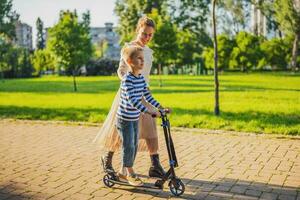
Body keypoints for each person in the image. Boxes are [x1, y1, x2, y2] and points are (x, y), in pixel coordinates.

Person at [94, 16, 166, 178]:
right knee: (120, 130)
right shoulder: (129, 48)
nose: (147, 38)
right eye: (144, 34)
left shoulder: (148, 52)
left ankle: (155, 165)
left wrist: (147, 92)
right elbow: (121, 71)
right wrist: (129, 83)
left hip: (143, 93)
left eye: (150, 35)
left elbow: (145, 75)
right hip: (128, 95)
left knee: (151, 130)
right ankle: (108, 160)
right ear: (138, 30)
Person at [116, 45, 162, 186]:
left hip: (134, 118)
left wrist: (160, 107)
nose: (142, 62)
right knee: (129, 145)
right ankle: (130, 173)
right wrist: (148, 111)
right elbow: (133, 100)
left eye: (143, 59)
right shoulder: (127, 79)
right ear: (130, 62)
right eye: (139, 59)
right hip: (124, 119)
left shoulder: (140, 78)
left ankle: (122, 172)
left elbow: (147, 95)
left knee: (134, 145)